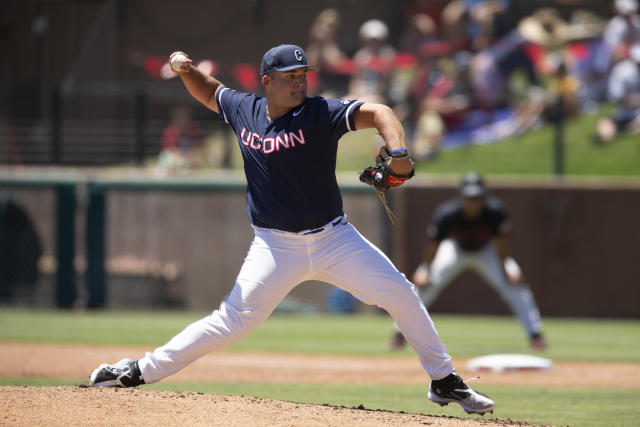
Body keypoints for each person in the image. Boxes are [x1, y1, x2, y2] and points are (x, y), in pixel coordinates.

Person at [88, 44, 495, 415]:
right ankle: (138, 370)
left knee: (402, 294)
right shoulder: (244, 108)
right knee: (229, 322)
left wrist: (400, 152)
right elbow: (210, 91)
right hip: (274, 246)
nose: (300, 80)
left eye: (303, 74)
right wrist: (183, 69)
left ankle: (443, 380)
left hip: (335, 239)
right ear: (267, 81)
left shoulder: (318, 113)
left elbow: (380, 113)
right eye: (291, 75)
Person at [388, 172, 546, 351]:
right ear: (462, 196)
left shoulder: (494, 212)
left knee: (514, 285)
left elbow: (501, 243)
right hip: (455, 249)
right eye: (470, 197)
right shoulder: (448, 214)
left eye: (478, 197)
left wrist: (509, 266)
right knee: (426, 286)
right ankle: (399, 334)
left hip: (485, 250)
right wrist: (425, 269)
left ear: (484, 197)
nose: (474, 202)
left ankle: (535, 335)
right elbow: (434, 245)